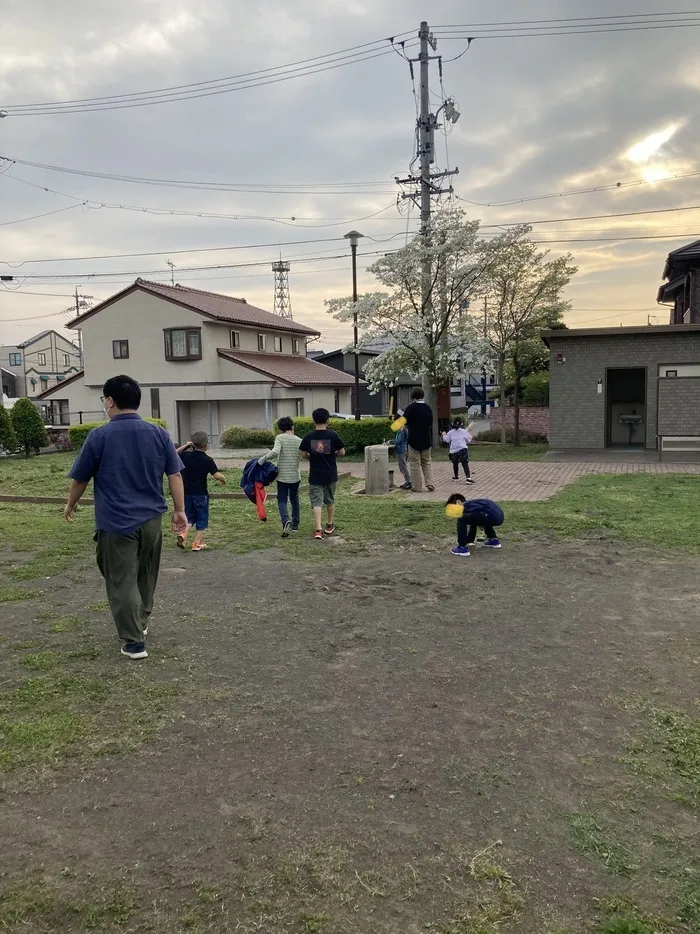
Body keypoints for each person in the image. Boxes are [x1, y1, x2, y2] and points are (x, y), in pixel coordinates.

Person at [64, 374, 187, 660]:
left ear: (110, 401)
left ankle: (134, 643)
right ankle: (140, 623)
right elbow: (175, 474)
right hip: (152, 520)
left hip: (116, 521)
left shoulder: (99, 436)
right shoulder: (158, 433)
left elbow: (80, 479)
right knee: (145, 573)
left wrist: (70, 505)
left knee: (121, 578)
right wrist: (180, 511)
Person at [299, 407, 345, 540]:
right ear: (327, 421)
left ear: (313, 421)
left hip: (315, 474)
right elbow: (342, 452)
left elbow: (302, 453)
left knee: (316, 502)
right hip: (331, 473)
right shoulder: (333, 435)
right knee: (330, 500)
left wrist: (311, 457)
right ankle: (329, 525)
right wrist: (333, 455)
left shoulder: (309, 436)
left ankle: (318, 530)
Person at [175, 431, 226, 552]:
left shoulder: (186, 456)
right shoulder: (207, 460)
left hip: (186, 493)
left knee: (189, 516)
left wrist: (186, 445)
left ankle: (183, 535)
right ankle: (196, 543)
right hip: (200, 494)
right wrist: (223, 480)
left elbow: (173, 454)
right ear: (206, 445)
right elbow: (217, 475)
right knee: (202, 518)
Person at [258, 416, 302, 537]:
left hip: (282, 476)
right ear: (292, 427)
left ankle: (285, 520)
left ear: (280, 429)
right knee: (294, 499)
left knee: (282, 499)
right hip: (295, 476)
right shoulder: (299, 440)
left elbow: (275, 451)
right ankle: (295, 524)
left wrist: (262, 459)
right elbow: (301, 456)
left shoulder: (280, 438)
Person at [446, 493, 504, 557]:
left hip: (492, 516)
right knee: (478, 517)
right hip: (499, 516)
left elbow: (477, 515)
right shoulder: (472, 504)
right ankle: (493, 540)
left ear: (458, 502)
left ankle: (462, 547)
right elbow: (474, 520)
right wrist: (470, 540)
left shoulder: (466, 505)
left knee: (461, 519)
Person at [403, 387, 435, 493]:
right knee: (427, 462)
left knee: (415, 464)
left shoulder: (410, 408)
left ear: (412, 397)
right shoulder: (428, 408)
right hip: (426, 439)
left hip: (413, 440)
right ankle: (429, 483)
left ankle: (417, 487)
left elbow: (404, 424)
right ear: (423, 396)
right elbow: (430, 423)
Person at [442, 417, 475, 484]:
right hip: (463, 449)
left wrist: (443, 435)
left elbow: (446, 440)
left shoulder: (451, 432)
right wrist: (470, 432)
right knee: (465, 463)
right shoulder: (464, 431)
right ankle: (468, 478)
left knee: (455, 463)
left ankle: (456, 476)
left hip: (454, 451)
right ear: (461, 424)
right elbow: (469, 439)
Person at [391, 416, 411, 490]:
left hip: (401, 450)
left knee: (403, 467)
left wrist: (390, 442)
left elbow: (399, 441)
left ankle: (409, 482)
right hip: (402, 450)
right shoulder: (401, 430)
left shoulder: (402, 430)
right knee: (402, 467)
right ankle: (407, 481)